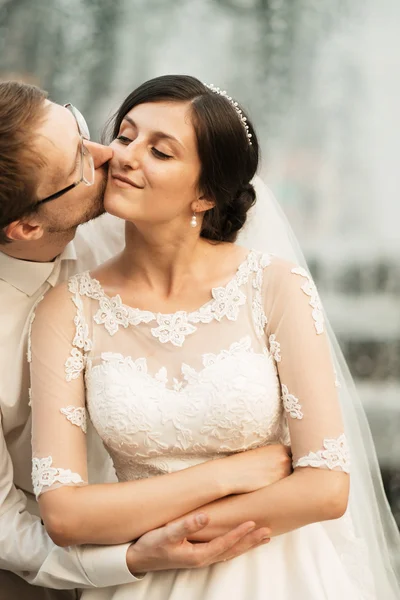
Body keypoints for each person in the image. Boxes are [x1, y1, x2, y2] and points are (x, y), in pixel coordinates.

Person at [28, 74, 400, 599]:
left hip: (279, 573)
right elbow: (65, 515)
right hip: (144, 579)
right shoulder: (67, 307)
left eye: (161, 151)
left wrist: (156, 521)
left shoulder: (275, 286)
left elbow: (324, 488)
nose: (128, 156)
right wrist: (230, 476)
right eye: (126, 135)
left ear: (205, 193)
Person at [0, 80, 289, 600]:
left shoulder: (134, 217)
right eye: (79, 165)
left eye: (83, 130)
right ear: (25, 227)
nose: (110, 154)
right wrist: (130, 558)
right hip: (53, 565)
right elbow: (6, 522)